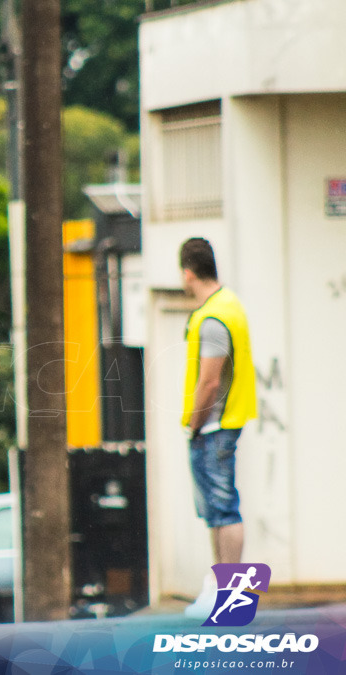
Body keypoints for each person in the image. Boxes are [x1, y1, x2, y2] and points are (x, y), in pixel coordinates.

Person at [178, 237, 256, 619]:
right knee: (217, 511)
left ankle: (233, 600)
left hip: (213, 427)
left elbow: (209, 382)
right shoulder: (229, 305)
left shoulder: (213, 317)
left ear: (188, 272)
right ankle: (219, 592)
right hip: (222, 424)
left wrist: (194, 425)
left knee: (223, 511)